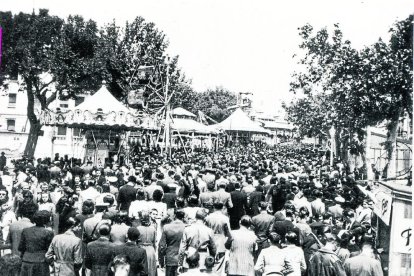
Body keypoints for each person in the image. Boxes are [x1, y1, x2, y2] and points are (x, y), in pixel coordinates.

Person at [19, 210, 54, 276]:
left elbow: (21, 247)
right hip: (41, 262)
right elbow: (49, 250)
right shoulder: (48, 233)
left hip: (26, 260)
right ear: (46, 221)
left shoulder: (26, 231)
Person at [158, 209, 186, 276]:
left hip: (170, 258)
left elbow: (162, 246)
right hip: (183, 259)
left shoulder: (166, 227)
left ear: (174, 216)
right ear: (183, 217)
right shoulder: (186, 227)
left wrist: (161, 261)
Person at [136, 211, 157, 276]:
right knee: (151, 271)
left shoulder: (138, 229)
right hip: (151, 250)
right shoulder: (153, 229)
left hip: (141, 249)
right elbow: (154, 242)